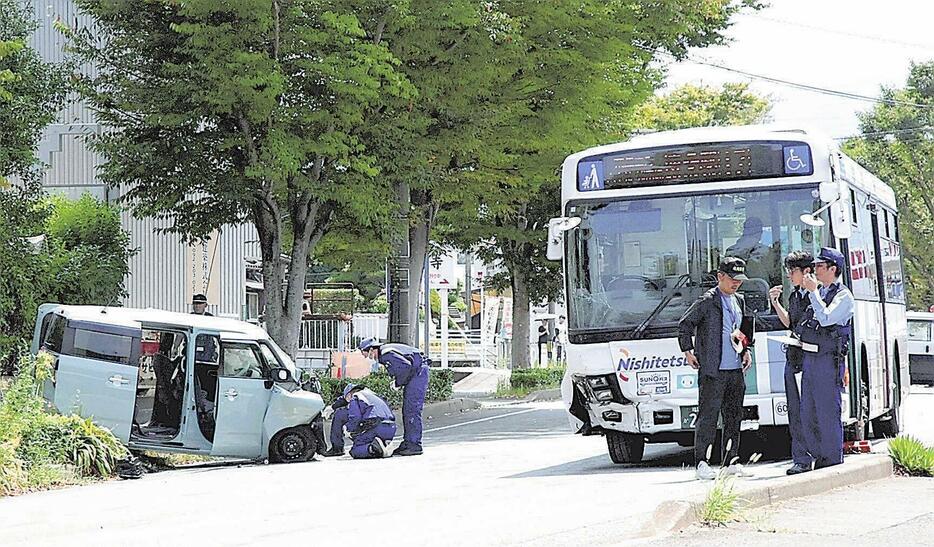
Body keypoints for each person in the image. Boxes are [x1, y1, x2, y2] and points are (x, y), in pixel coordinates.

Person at [678, 257, 755, 480]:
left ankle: (731, 460)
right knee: (708, 416)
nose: (736, 283)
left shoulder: (739, 300)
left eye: (739, 279)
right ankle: (702, 462)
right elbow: (685, 325)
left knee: (734, 416)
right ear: (720, 276)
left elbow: (743, 330)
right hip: (713, 369)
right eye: (732, 279)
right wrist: (688, 351)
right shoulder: (707, 300)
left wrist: (746, 350)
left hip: (735, 369)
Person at [798, 247, 854, 470]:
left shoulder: (843, 296)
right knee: (808, 410)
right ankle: (817, 455)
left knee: (827, 410)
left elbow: (827, 319)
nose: (816, 270)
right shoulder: (820, 291)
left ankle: (831, 458)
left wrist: (812, 293)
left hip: (828, 360)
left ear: (833, 269)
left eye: (820, 266)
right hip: (811, 357)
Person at [769, 251, 815, 475]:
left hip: (810, 359)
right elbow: (790, 322)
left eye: (793, 271)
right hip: (793, 357)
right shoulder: (795, 295)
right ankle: (800, 458)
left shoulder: (817, 295)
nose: (789, 275)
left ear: (806, 271)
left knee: (811, 410)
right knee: (795, 411)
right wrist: (775, 304)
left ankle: (813, 455)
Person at [359, 338, 429, 456]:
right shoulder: (385, 352)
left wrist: (398, 383)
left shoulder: (386, 353)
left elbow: (405, 367)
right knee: (407, 410)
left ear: (371, 349)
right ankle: (408, 442)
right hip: (416, 372)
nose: (369, 358)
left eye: (367, 355)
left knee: (412, 410)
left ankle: (414, 444)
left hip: (418, 373)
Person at [321, 384, 395, 459]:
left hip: (376, 428)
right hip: (391, 428)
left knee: (355, 450)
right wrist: (333, 406)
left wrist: (348, 429)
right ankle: (385, 445)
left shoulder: (355, 397)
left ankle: (373, 448)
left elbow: (355, 417)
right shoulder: (374, 395)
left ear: (349, 395)